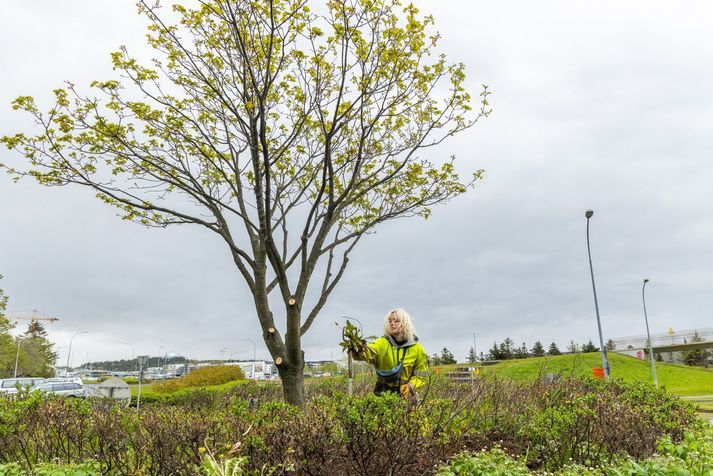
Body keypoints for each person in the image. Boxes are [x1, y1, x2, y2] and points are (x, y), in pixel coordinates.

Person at [352, 308, 429, 399]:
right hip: (382, 396)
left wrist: (410, 386)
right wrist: (358, 348)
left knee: (410, 413)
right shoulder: (382, 343)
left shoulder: (417, 349)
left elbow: (422, 376)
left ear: (405, 324)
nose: (392, 323)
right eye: (390, 321)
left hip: (407, 397)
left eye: (396, 321)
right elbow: (369, 351)